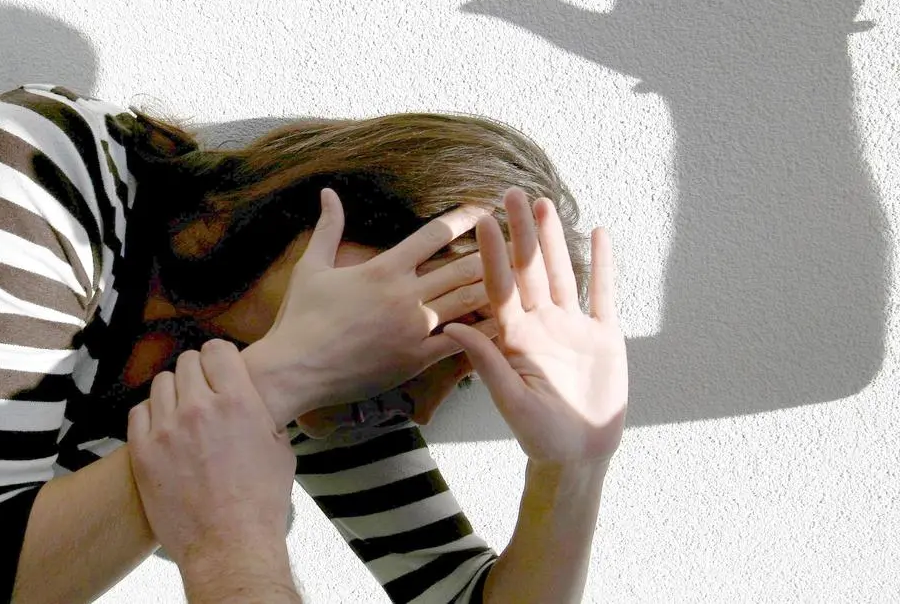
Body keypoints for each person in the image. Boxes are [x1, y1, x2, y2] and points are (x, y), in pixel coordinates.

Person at [0, 83, 593, 603]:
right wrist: (286, 373)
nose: (419, 402)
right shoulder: (38, 169)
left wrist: (575, 465)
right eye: (434, 325)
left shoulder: (334, 377)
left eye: (458, 370)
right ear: (345, 210)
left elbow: (454, 592)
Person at [129, 186, 627, 603]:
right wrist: (230, 551)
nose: (425, 412)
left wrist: (574, 470)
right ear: (333, 222)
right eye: (444, 323)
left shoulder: (333, 416)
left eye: (471, 368)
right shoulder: (91, 205)